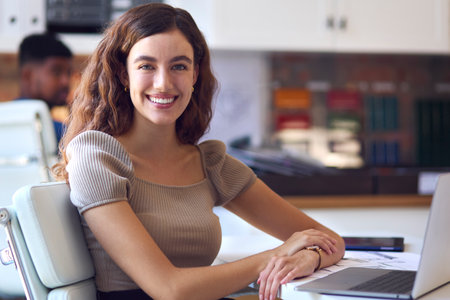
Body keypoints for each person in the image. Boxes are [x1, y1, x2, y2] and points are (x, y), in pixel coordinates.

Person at [53, 3, 345, 300]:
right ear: (123, 74)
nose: (163, 83)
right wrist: (277, 255)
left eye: (179, 66)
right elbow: (169, 289)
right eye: (146, 66)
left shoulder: (211, 165)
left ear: (194, 75)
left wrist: (309, 257)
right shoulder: (97, 159)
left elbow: (332, 241)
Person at [16, 33, 73, 143]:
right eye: (57, 72)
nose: (65, 81)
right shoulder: (61, 133)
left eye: (69, 73)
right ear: (27, 76)